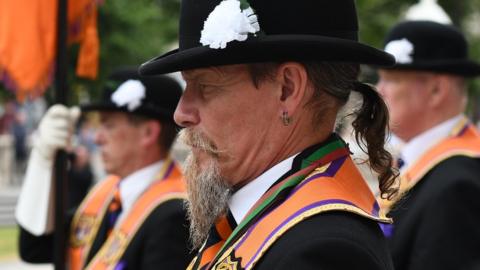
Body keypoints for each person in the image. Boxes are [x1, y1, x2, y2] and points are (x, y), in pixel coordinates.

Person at [139, 1, 398, 269]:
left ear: (287, 89)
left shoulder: (322, 249)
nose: (181, 114)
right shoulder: (280, 223)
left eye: (204, 86)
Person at [15, 68, 193, 269]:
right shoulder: (107, 192)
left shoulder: (176, 213)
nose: (97, 138)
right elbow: (34, 248)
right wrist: (43, 162)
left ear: (148, 133)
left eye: (108, 125)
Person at [376, 20, 480, 270]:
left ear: (436, 90)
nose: (379, 91)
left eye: (391, 80)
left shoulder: (458, 184)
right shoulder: (437, 168)